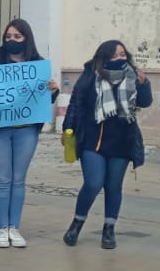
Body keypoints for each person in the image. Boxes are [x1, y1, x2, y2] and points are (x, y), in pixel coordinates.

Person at [61, 40, 153, 249]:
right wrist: (68, 129)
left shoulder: (131, 75)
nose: (121, 58)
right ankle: (77, 223)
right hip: (92, 141)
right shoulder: (90, 74)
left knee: (113, 186)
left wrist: (143, 83)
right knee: (93, 183)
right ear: (104, 58)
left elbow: (144, 102)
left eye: (123, 54)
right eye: (115, 55)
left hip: (121, 142)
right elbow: (76, 102)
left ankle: (109, 228)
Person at [0, 19, 58, 248]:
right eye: (8, 36)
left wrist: (53, 90)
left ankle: (15, 227)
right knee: (2, 179)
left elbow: (44, 100)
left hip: (26, 132)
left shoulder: (37, 64)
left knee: (18, 180)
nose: (11, 40)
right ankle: (2, 228)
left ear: (26, 39)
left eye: (17, 37)